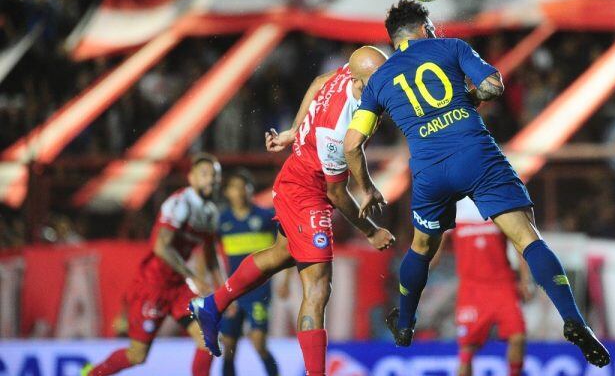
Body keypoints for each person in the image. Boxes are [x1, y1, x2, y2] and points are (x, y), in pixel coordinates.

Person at [343, 0, 610, 368]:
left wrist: (367, 185)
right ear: (423, 28)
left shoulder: (380, 80)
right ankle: (574, 321)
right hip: (475, 155)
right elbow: (492, 84)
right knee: (527, 236)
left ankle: (404, 323)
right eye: (432, 26)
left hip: (430, 171)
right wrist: (469, 97)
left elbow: (352, 143)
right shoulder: (451, 47)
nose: (435, 30)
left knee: (421, 248)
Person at [190, 47, 396, 376]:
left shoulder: (350, 74)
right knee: (317, 286)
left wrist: (293, 131)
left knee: (281, 254)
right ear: (358, 82)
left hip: (296, 177)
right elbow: (335, 192)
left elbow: (318, 81)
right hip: (306, 193)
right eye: (377, 82)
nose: (385, 87)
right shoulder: (337, 129)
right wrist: (371, 230)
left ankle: (211, 305)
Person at [81, 154, 224, 376]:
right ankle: (91, 374)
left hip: (178, 288)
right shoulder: (179, 204)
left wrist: (225, 289)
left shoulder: (211, 213)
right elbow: (161, 247)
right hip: (153, 286)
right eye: (205, 174)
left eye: (215, 175)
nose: (211, 180)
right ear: (191, 178)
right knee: (137, 355)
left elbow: (211, 255)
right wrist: (193, 276)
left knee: (209, 337)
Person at [452, 198, 531, 376]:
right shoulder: (453, 205)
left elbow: (519, 243)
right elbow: (432, 247)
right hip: (472, 288)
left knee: (518, 337)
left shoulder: (497, 201)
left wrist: (526, 280)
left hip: (503, 284)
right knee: (467, 350)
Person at [217, 170, 280, 376]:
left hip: (259, 290)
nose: (241, 191)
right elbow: (206, 254)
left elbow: (287, 246)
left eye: (245, 186)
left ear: (251, 190)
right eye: (235, 186)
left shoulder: (265, 217)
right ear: (227, 192)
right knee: (228, 346)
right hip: (232, 293)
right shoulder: (221, 220)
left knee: (259, 342)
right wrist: (214, 284)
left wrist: (286, 279)